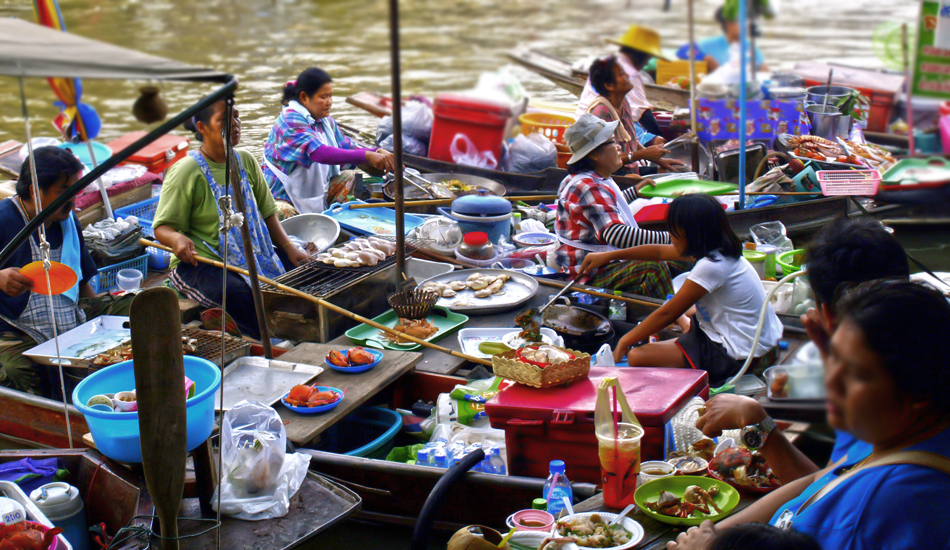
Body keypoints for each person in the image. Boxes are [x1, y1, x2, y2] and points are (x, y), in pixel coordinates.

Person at [668, 280, 950, 550]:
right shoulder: (895, 436)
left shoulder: (874, 510)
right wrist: (717, 538)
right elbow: (819, 480)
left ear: (917, 393)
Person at [695, 218, 910, 484]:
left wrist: (758, 424)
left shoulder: (882, 400)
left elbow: (825, 491)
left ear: (826, 315)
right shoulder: (906, 354)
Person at [581, 193, 781, 385]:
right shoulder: (720, 251)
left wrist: (624, 341)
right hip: (756, 343)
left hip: (738, 355)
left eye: (674, 231)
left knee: (636, 356)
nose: (671, 236)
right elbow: (659, 251)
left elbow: (667, 313)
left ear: (691, 233)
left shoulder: (711, 266)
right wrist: (607, 256)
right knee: (683, 324)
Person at [154, 99, 312, 340]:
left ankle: (295, 331)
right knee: (238, 293)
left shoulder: (245, 160)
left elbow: (268, 212)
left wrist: (289, 248)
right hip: (203, 262)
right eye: (224, 120)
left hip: (251, 253)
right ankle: (270, 340)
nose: (235, 124)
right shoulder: (187, 170)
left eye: (236, 117)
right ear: (202, 127)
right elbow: (162, 228)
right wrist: (177, 239)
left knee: (297, 275)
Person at [0, 147, 133, 397]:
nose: (73, 199)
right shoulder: (5, 220)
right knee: (15, 368)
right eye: (64, 190)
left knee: (137, 308)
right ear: (35, 192)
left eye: (76, 189)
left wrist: (100, 326)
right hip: (16, 326)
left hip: (67, 311)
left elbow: (82, 283)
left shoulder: (68, 220)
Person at [555, 114, 674, 299]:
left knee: (681, 259)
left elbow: (602, 209)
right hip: (590, 274)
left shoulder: (589, 180)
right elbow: (616, 234)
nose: (619, 147)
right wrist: (671, 238)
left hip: (607, 261)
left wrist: (633, 192)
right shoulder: (588, 186)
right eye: (612, 142)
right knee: (654, 267)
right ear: (594, 154)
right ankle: (672, 319)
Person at [262, 67, 395, 216]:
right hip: (283, 197)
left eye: (330, 96)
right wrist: (367, 156)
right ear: (305, 97)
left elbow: (348, 147)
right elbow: (320, 153)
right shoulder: (290, 120)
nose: (329, 102)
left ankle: (333, 221)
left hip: (309, 194)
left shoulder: (326, 122)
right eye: (323, 97)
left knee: (348, 176)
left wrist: (376, 152)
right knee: (281, 211)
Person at [585, 56, 682, 175]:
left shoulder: (624, 102)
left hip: (631, 169)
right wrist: (642, 154)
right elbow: (605, 161)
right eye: (621, 74)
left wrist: (658, 160)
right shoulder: (601, 112)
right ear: (609, 86)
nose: (627, 76)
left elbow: (632, 141)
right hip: (612, 176)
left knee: (681, 171)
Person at [578, 25, 667, 147]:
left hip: (588, 117)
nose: (647, 61)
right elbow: (642, 112)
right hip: (598, 131)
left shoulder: (609, 64)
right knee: (659, 142)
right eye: (648, 56)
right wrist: (664, 140)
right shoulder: (602, 111)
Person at [686, 6, 767, 73]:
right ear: (728, 24)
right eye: (739, 20)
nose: (746, 24)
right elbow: (683, 51)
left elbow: (766, 74)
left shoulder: (750, 47)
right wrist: (707, 59)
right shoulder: (709, 44)